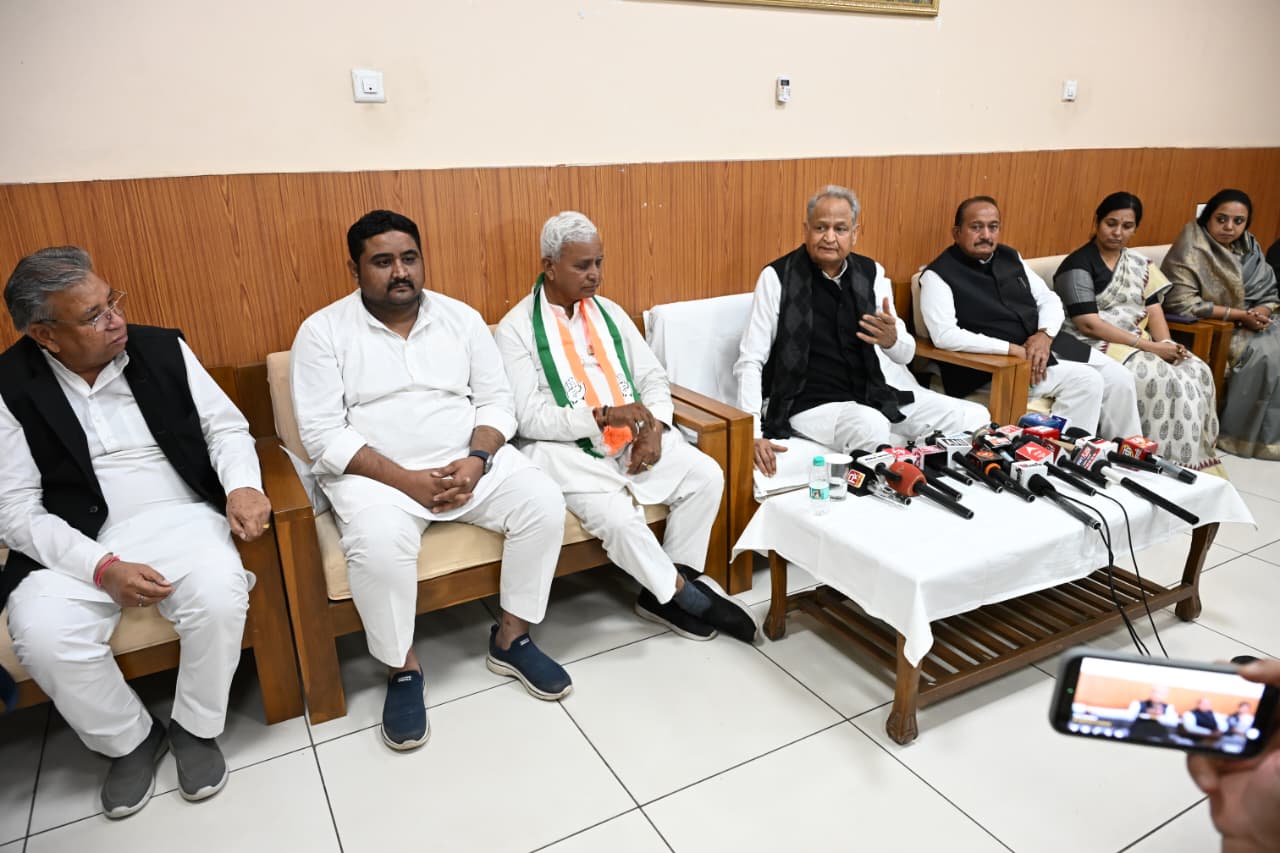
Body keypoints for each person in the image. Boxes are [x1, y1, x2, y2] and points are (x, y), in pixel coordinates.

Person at [0, 246, 272, 817]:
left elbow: (225, 429)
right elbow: (17, 508)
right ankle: (130, 741)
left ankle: (195, 727)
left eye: (112, 301)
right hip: (74, 537)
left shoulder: (161, 347)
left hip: (181, 513)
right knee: (43, 634)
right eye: (93, 316)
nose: (115, 319)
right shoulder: (8, 384)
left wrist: (243, 486)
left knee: (219, 595)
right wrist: (101, 568)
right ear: (46, 335)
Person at [290, 210, 571, 752]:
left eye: (409, 258)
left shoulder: (461, 318)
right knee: (376, 546)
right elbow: (323, 435)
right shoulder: (323, 332)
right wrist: (407, 481)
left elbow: (497, 402)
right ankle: (402, 669)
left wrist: (477, 460)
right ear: (354, 268)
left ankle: (511, 638)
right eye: (383, 261)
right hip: (378, 478)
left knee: (541, 500)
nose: (400, 271)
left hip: (467, 464)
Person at [495, 212, 755, 643]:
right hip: (566, 453)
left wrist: (655, 427)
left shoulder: (609, 313)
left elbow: (653, 378)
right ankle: (684, 596)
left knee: (706, 475)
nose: (595, 274)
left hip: (631, 440)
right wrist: (600, 416)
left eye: (598, 262)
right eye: (582, 265)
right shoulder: (516, 330)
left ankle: (661, 596)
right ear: (549, 267)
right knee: (619, 521)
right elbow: (528, 416)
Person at [735, 185, 988, 475]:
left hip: (869, 392)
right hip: (805, 401)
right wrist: (751, 432)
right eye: (821, 227)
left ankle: (936, 482)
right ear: (806, 230)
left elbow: (905, 354)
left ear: (855, 233)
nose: (830, 237)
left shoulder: (871, 273)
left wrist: (892, 341)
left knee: (965, 416)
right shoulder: (777, 276)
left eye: (840, 229)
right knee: (870, 424)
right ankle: (894, 487)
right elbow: (750, 359)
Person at [920, 196, 1141, 439]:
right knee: (1086, 381)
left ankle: (1130, 452)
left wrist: (1044, 335)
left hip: (1046, 346)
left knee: (1120, 377)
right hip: (999, 366)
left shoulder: (1010, 256)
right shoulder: (937, 275)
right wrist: (1010, 350)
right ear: (957, 232)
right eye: (976, 227)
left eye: (993, 227)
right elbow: (944, 335)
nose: (986, 235)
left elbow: (1048, 298)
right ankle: (1064, 455)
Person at [1054, 192, 1222, 473]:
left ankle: (1189, 459)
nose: (1118, 232)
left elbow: (1153, 309)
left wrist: (1166, 343)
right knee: (1155, 374)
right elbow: (1088, 324)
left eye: (1127, 226)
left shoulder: (1139, 264)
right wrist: (1152, 348)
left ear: (1135, 228)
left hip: (1136, 341)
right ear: (1097, 221)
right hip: (1092, 343)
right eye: (1111, 223)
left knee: (1195, 370)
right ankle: (1144, 455)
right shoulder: (1077, 265)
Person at [1162, 189, 1280, 460]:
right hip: (1215, 327)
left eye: (1238, 221)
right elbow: (1180, 303)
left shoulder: (1248, 245)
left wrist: (1261, 311)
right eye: (1222, 219)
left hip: (1252, 320)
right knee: (1266, 354)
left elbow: (1268, 291)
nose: (1229, 227)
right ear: (1208, 217)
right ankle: (1241, 436)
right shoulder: (1191, 247)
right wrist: (1240, 316)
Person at [1187, 659, 1280, 853]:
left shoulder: (1228, 716)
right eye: (1203, 703)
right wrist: (1257, 844)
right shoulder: (1219, 716)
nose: (1206, 705)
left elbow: (1222, 727)